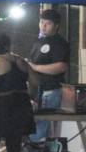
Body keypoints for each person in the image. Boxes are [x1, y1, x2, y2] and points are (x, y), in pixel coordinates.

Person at [28, 8, 71, 141]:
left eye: (48, 23)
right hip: (36, 91)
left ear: (56, 26)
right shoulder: (38, 41)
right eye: (41, 22)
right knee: (35, 126)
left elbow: (61, 67)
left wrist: (36, 67)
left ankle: (36, 151)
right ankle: (38, 151)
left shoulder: (59, 43)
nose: (43, 26)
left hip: (51, 90)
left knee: (41, 129)